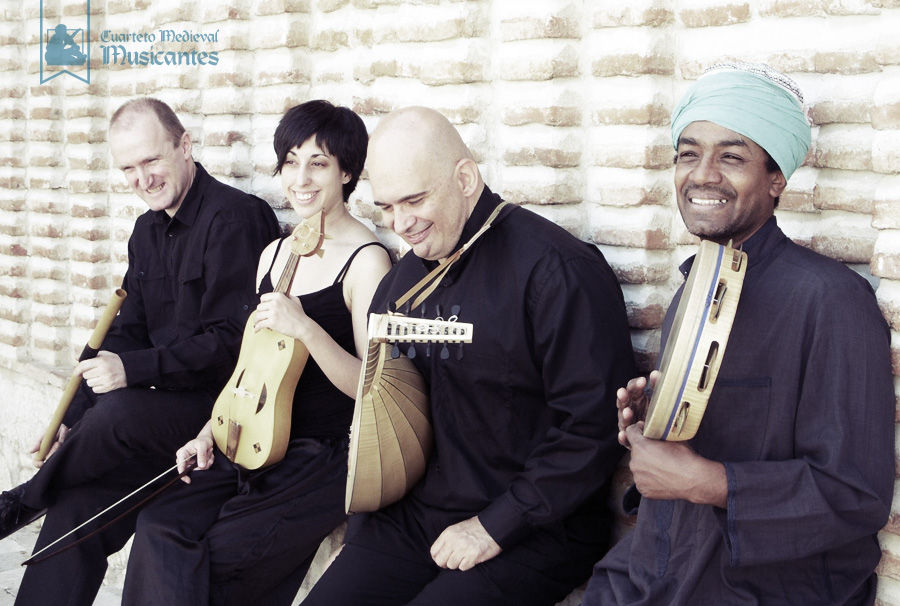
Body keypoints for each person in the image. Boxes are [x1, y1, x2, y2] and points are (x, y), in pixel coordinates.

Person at [582, 62, 895, 606]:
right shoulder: (694, 288)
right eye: (688, 154)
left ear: (776, 179)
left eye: (731, 157)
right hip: (651, 573)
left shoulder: (830, 300)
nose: (702, 175)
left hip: (761, 590)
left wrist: (705, 481)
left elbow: (855, 495)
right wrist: (654, 428)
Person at [301, 106, 636, 606]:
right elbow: (386, 412)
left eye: (415, 200)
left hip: (537, 525)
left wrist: (493, 526)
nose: (401, 224)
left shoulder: (556, 269)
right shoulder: (400, 284)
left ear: (465, 178)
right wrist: (367, 526)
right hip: (417, 515)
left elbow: (592, 426)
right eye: (387, 207)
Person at [0, 97, 279, 606]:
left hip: (221, 417)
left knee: (121, 410)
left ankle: (25, 498)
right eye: (128, 168)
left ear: (184, 146)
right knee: (74, 512)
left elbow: (234, 343)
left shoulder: (235, 218)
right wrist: (70, 418)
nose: (142, 179)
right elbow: (124, 334)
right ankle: (44, 501)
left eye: (151, 160)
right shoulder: (146, 230)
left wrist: (131, 370)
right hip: (159, 422)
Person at [121, 100, 392, 606]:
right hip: (249, 436)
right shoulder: (274, 254)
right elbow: (251, 367)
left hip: (319, 457)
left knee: (221, 559)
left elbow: (373, 389)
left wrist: (306, 329)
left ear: (347, 172)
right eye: (290, 162)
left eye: (318, 163)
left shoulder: (366, 261)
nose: (300, 179)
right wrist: (208, 433)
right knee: (159, 524)